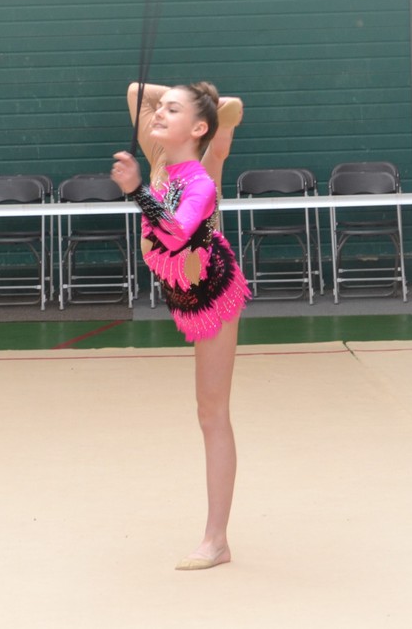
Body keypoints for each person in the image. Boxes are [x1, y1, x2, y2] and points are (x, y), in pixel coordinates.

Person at [111, 81, 250, 570]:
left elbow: (173, 234)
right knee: (204, 411)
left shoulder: (200, 181)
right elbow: (137, 91)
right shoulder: (159, 161)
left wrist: (136, 191)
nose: (158, 113)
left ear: (197, 129)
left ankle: (217, 540)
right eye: (162, 108)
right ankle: (216, 537)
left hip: (212, 295)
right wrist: (204, 97)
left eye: (173, 110)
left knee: (212, 413)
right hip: (182, 294)